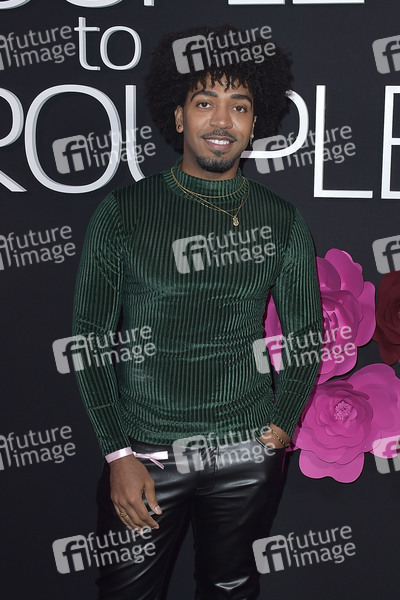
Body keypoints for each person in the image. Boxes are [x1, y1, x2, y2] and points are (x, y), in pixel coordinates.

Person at [72, 24, 323, 600]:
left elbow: (306, 336)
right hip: (147, 459)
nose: (222, 121)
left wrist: (279, 429)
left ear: (255, 122)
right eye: (205, 102)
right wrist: (118, 453)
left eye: (240, 105)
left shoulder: (280, 220)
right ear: (179, 116)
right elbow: (88, 340)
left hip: (246, 456)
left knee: (231, 589)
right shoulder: (124, 212)